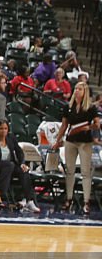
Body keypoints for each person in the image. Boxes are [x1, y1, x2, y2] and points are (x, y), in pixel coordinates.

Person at [53, 81, 98, 214]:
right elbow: (64, 125)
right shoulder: (69, 106)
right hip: (70, 141)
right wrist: (58, 140)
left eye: (79, 89)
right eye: (76, 89)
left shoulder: (91, 108)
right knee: (70, 171)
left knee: (85, 172)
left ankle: (86, 201)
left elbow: (97, 124)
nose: (76, 91)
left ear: (85, 92)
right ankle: (69, 198)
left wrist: (88, 127)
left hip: (85, 142)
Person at [0, 119, 38, 210]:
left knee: (24, 171)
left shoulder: (11, 138)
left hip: (9, 166)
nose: (4, 131)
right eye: (1, 129)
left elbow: (19, 152)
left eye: (5, 128)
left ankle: (29, 200)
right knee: (9, 165)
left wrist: (22, 164)